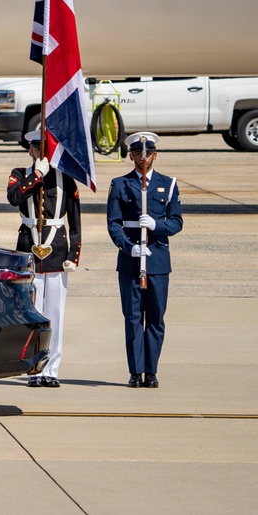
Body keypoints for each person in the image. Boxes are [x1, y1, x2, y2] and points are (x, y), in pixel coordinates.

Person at [107, 132, 183, 389]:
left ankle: (151, 371)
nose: (143, 157)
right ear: (131, 156)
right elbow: (114, 224)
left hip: (158, 261)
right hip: (130, 262)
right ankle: (135, 371)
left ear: (154, 155)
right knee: (132, 318)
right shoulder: (120, 184)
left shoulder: (168, 184)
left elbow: (176, 222)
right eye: (138, 153)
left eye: (147, 153)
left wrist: (156, 225)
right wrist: (129, 249)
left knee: (156, 318)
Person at [7, 130, 82, 387]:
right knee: (32, 311)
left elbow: (74, 219)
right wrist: (36, 175)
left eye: (44, 148)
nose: (40, 152)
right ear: (30, 150)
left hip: (57, 250)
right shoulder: (20, 174)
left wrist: (75, 254)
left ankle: (52, 369)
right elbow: (14, 197)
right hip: (29, 248)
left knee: (55, 313)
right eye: (36, 148)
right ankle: (34, 368)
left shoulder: (65, 178)